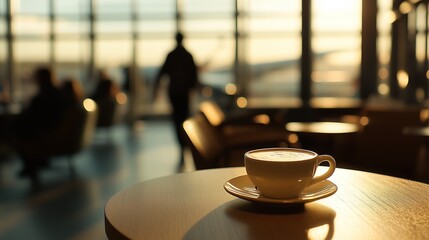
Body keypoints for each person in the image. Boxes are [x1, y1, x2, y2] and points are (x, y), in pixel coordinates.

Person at [10, 67, 67, 180]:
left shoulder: (43, 96)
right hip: (53, 127)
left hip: (45, 130)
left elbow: (32, 114)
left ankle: (31, 163)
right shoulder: (58, 93)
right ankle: (36, 161)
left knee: (14, 130)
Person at [153, 32, 199, 167]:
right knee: (184, 119)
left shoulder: (171, 55)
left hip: (174, 93)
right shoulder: (188, 55)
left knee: (177, 120)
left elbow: (162, 73)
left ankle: (181, 146)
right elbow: (194, 76)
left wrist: (155, 90)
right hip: (184, 94)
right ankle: (185, 145)